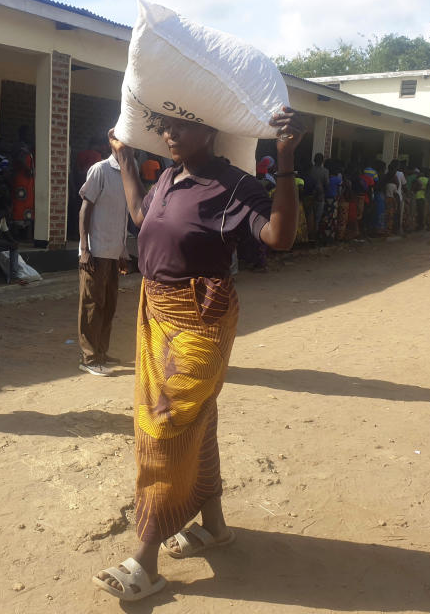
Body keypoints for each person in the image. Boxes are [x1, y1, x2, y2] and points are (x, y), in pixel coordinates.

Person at [91, 107, 304, 601]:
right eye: (164, 125)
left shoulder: (235, 186)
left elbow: (280, 237)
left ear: (210, 129)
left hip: (200, 317)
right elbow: (145, 218)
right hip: (155, 311)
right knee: (198, 417)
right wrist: (124, 161)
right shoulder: (169, 176)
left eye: (180, 125)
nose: (168, 133)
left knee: (166, 422)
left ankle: (144, 558)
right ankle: (214, 526)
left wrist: (286, 160)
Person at [77, 149, 130, 377]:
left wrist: (123, 251)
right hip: (95, 251)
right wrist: (84, 249)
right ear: (115, 146)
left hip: (113, 252)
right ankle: (89, 358)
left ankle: (101, 352)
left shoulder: (128, 174)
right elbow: (85, 210)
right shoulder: (100, 170)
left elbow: (122, 216)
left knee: (108, 306)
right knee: (91, 305)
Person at [11, 125, 35, 241]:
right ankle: (16, 235)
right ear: (22, 135)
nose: (30, 136)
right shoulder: (20, 147)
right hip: (21, 180)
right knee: (19, 205)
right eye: (28, 134)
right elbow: (19, 160)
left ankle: (27, 235)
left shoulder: (27, 147)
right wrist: (27, 169)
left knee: (28, 206)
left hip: (28, 181)